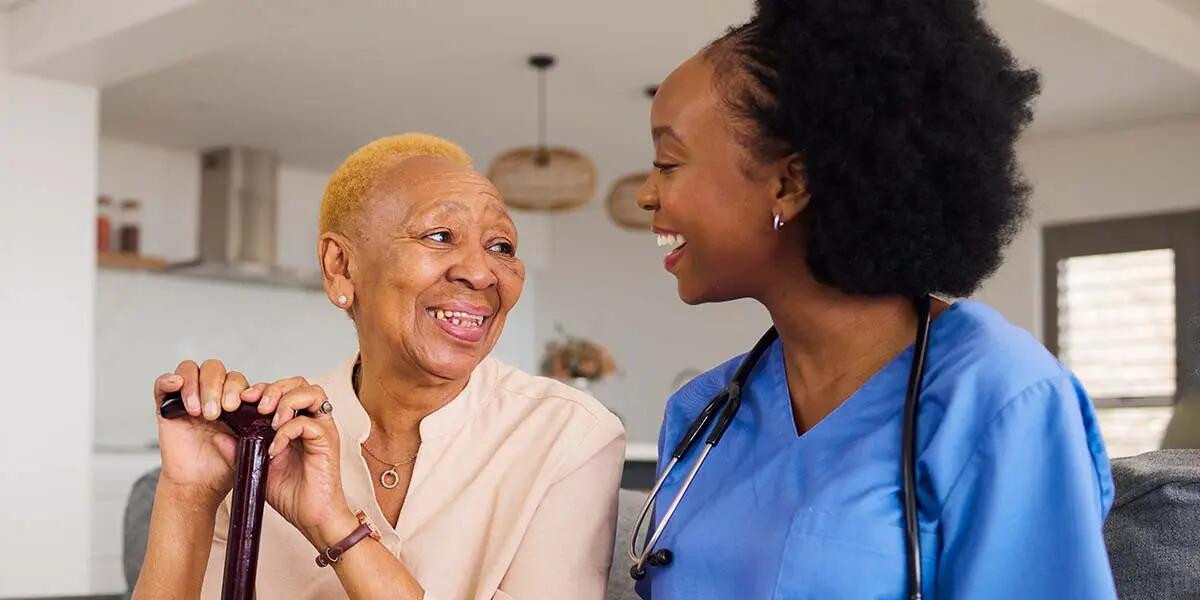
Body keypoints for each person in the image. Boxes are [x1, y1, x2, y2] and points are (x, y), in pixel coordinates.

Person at [632, 1, 1117, 598]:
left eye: (667, 162)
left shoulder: (1000, 396)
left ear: (790, 183)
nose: (646, 196)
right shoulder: (701, 417)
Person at [133, 134, 626, 600]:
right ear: (341, 267)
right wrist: (189, 495)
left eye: (501, 247)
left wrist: (336, 526)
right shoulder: (266, 433)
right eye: (440, 235)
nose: (481, 272)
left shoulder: (570, 436)